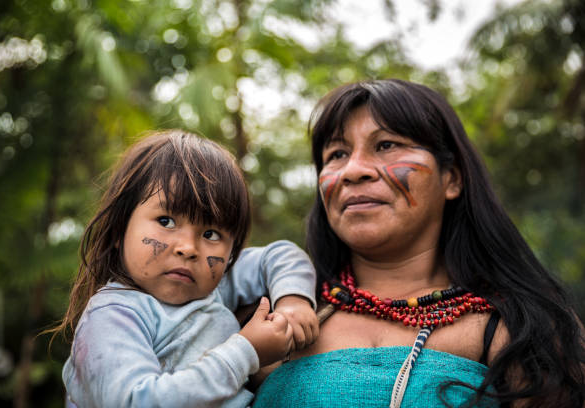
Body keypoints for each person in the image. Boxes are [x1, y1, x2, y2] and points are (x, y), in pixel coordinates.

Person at [251, 79, 585, 407]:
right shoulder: (274, 318)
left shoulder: (522, 329)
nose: (354, 170)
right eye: (337, 153)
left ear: (451, 178)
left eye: (386, 145)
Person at [51, 130, 319, 407]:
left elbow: (279, 255)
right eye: (166, 221)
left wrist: (293, 302)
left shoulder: (213, 285)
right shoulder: (112, 316)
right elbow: (135, 401)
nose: (189, 248)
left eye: (211, 234)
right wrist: (246, 352)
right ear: (119, 229)